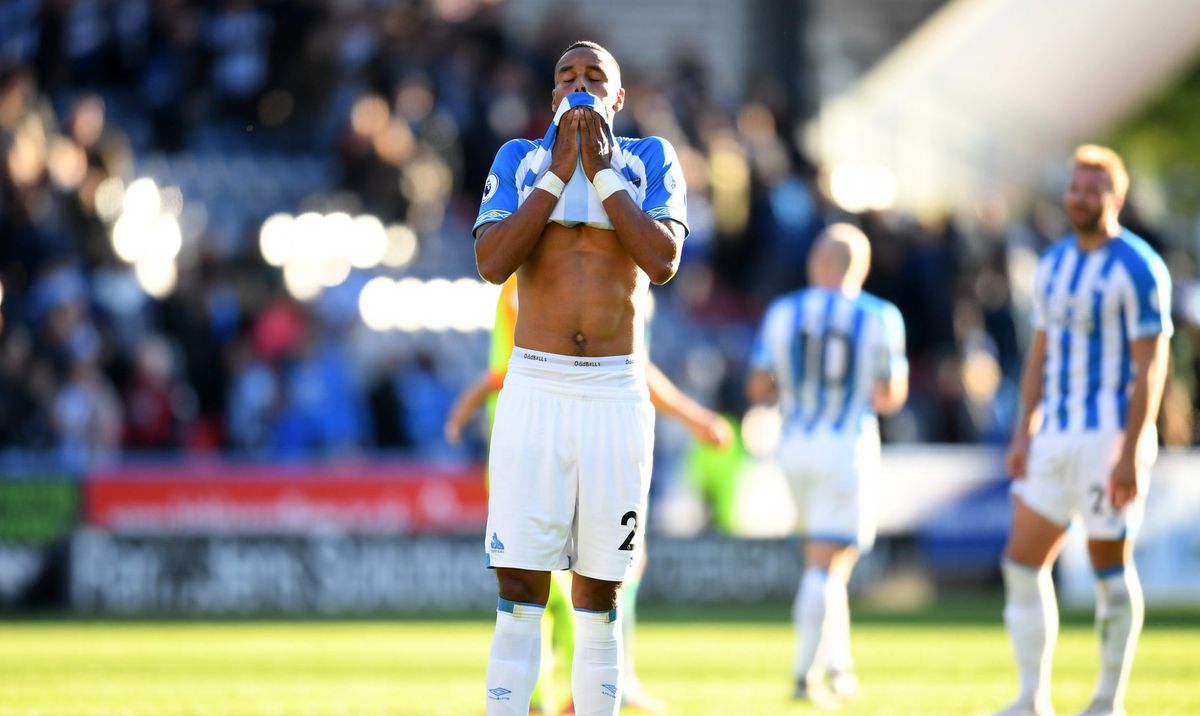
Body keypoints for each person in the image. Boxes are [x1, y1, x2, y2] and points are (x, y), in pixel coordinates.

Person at [472, 40, 688, 716]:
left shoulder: (651, 159)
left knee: (600, 596)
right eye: (567, 75)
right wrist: (556, 174)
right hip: (535, 386)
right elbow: (491, 261)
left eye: (596, 75)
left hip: (614, 394)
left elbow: (663, 260)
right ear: (552, 93)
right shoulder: (518, 158)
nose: (580, 83)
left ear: (618, 98)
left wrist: (601, 175)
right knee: (519, 592)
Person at [445, 276, 732, 714]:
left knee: (616, 569)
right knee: (544, 583)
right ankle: (547, 694)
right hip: (533, 442)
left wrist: (693, 418)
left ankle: (588, 687)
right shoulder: (533, 278)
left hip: (601, 425)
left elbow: (637, 369)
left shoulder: (620, 279)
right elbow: (531, 361)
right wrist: (471, 400)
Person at [996, 146, 1172, 716]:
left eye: (1092, 188)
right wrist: (1023, 431)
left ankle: (1106, 701)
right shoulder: (1053, 264)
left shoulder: (1139, 267)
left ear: (1115, 198)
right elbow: (1040, 356)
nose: (1079, 197)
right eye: (1074, 187)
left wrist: (1132, 449)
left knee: (1107, 569)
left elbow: (1152, 364)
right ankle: (1030, 698)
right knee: (1021, 565)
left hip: (1108, 438)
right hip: (1054, 436)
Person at [745, 223, 909, 706]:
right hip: (846, 444)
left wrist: (794, 389)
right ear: (860, 267)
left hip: (793, 443)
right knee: (829, 563)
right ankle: (804, 676)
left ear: (817, 263)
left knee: (822, 560)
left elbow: (757, 387)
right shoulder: (880, 315)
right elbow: (889, 395)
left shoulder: (783, 311)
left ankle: (839, 667)